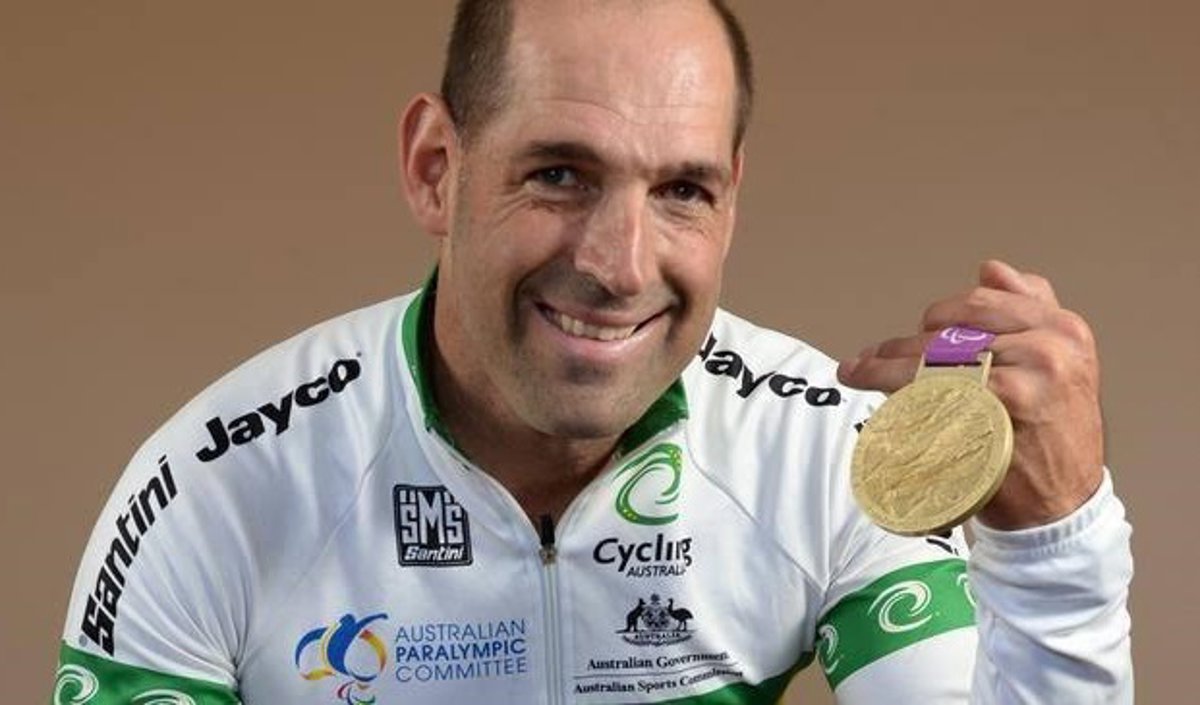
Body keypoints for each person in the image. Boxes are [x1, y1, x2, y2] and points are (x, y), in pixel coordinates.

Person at [52, 1, 1132, 703]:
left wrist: (1056, 552)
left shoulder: (826, 453)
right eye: (560, 175)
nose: (620, 265)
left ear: (732, 199)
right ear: (436, 169)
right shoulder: (212, 493)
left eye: (682, 190)